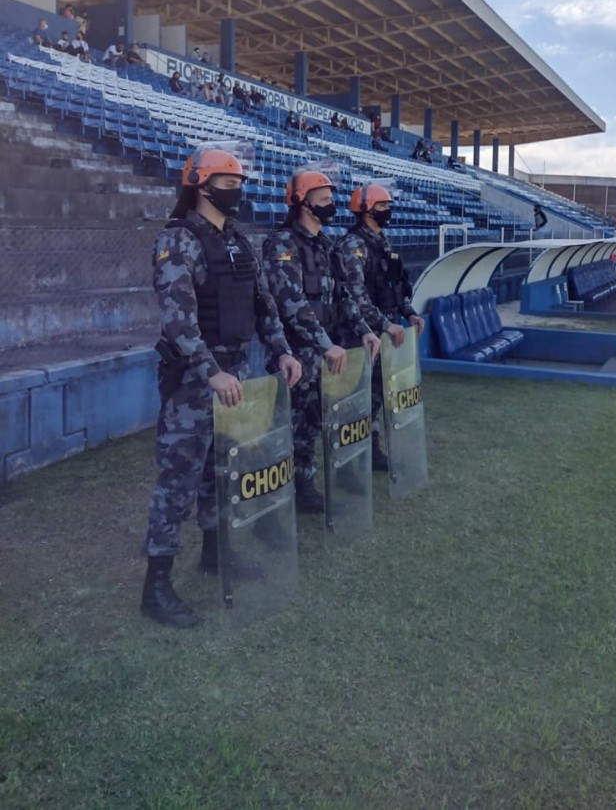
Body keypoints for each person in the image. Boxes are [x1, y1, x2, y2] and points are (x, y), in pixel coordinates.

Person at [141, 147, 302, 629]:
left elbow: (264, 304)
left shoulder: (239, 241)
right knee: (178, 483)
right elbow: (178, 320)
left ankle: (214, 554)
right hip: (194, 384)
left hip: (234, 376)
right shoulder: (178, 241)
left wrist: (282, 350)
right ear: (200, 186)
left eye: (239, 184)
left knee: (221, 473)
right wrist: (211, 372)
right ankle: (155, 587)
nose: (237, 192)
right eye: (227, 184)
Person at [262, 169, 380, 513]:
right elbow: (291, 302)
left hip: (323, 354)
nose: (331, 204)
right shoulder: (282, 244)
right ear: (302, 202)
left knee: (311, 424)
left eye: (331, 198)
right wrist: (324, 343)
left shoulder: (326, 246)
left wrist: (364, 329)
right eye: (324, 199)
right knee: (287, 425)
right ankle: (275, 497)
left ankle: (303, 486)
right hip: (294, 354)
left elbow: (343, 296)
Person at [333, 184, 425, 470]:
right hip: (360, 335)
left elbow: (394, 285)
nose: (388, 211)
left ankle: (370, 450)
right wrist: (384, 324)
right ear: (367, 210)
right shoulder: (353, 245)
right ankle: (350, 456)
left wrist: (409, 312)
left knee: (375, 396)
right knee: (355, 398)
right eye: (382, 206)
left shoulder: (382, 242)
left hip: (385, 332)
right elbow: (356, 295)